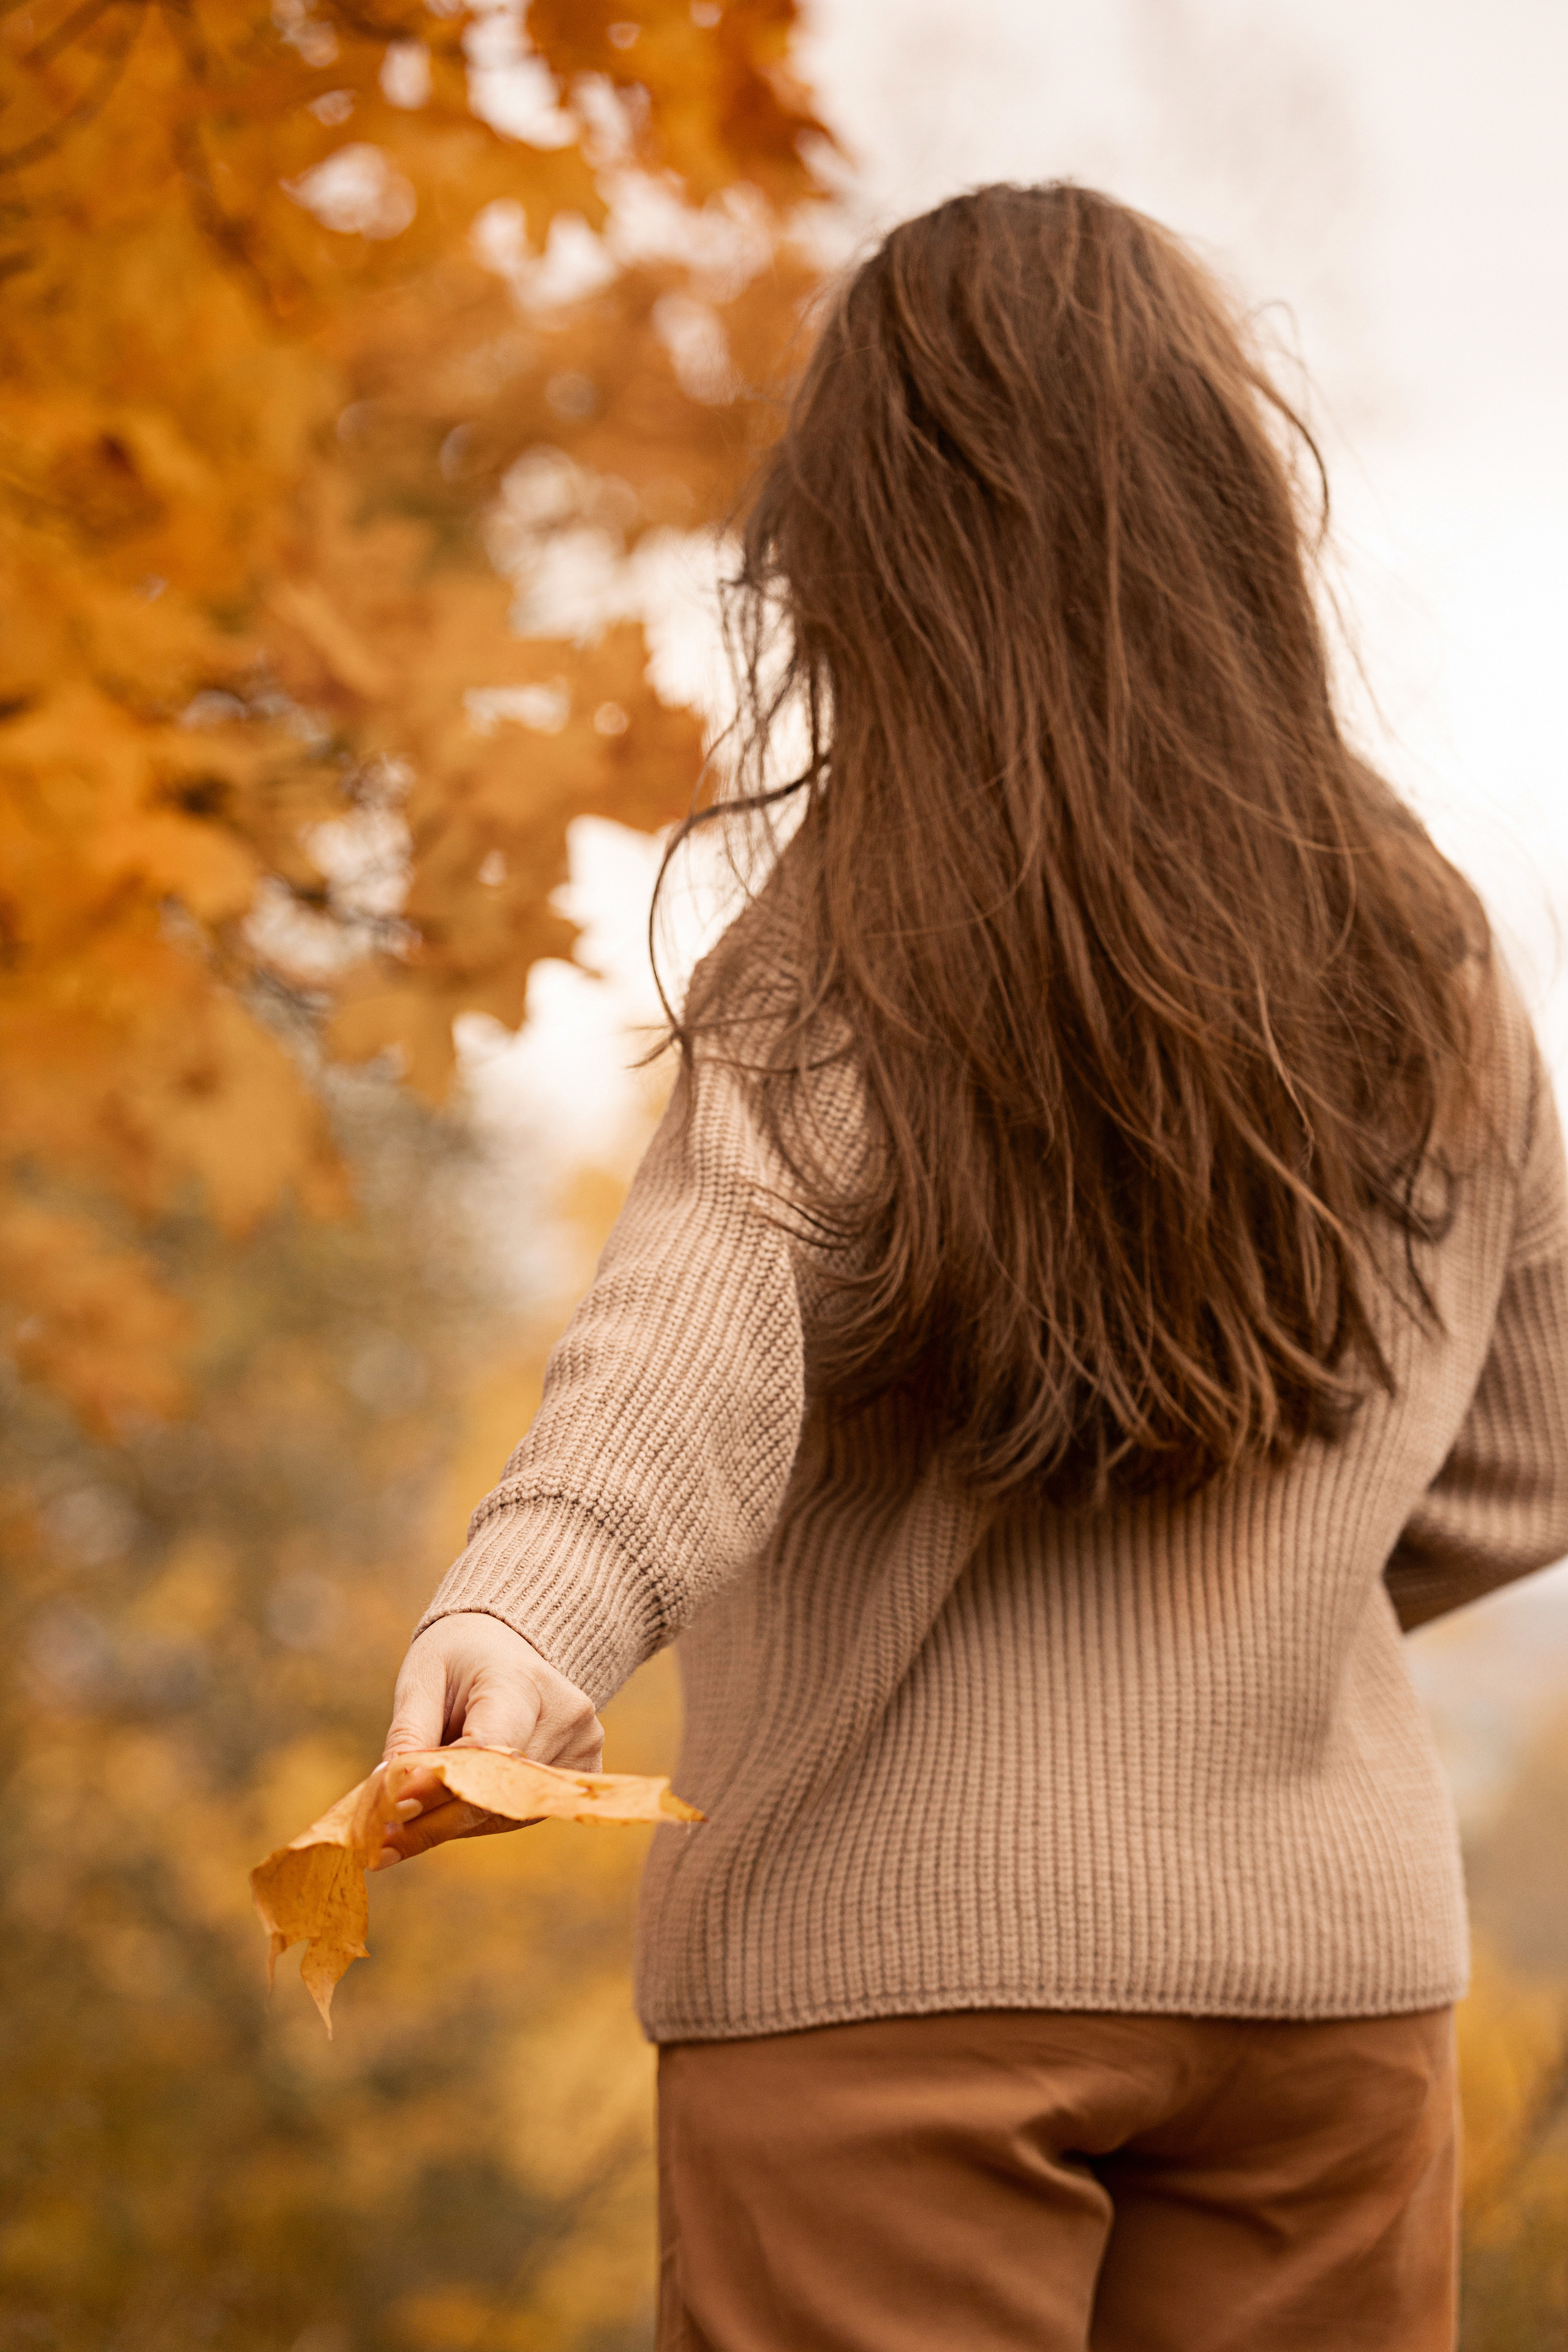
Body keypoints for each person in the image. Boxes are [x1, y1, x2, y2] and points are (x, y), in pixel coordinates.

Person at [374, 183, 1568, 2352]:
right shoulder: (1429, 947)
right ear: (1227, 512)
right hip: (1331, 1998)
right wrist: (1250, 1599)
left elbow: (692, 1340)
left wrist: (526, 1606)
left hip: (884, 1983)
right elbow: (1531, 1453)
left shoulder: (839, 955)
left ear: (865, 556)